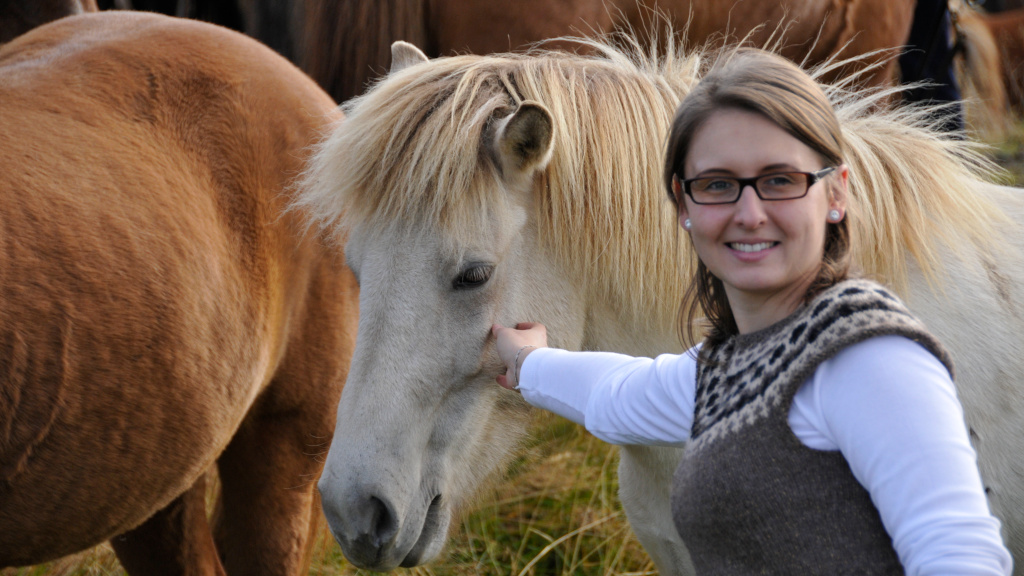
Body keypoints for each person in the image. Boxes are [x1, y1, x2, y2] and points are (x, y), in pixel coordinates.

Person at [492, 49, 1012, 574]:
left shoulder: (866, 358)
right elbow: (623, 395)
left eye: (780, 180)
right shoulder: (741, 358)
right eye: (717, 185)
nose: (748, 214)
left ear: (836, 194)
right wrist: (529, 364)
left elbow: (958, 556)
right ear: (683, 206)